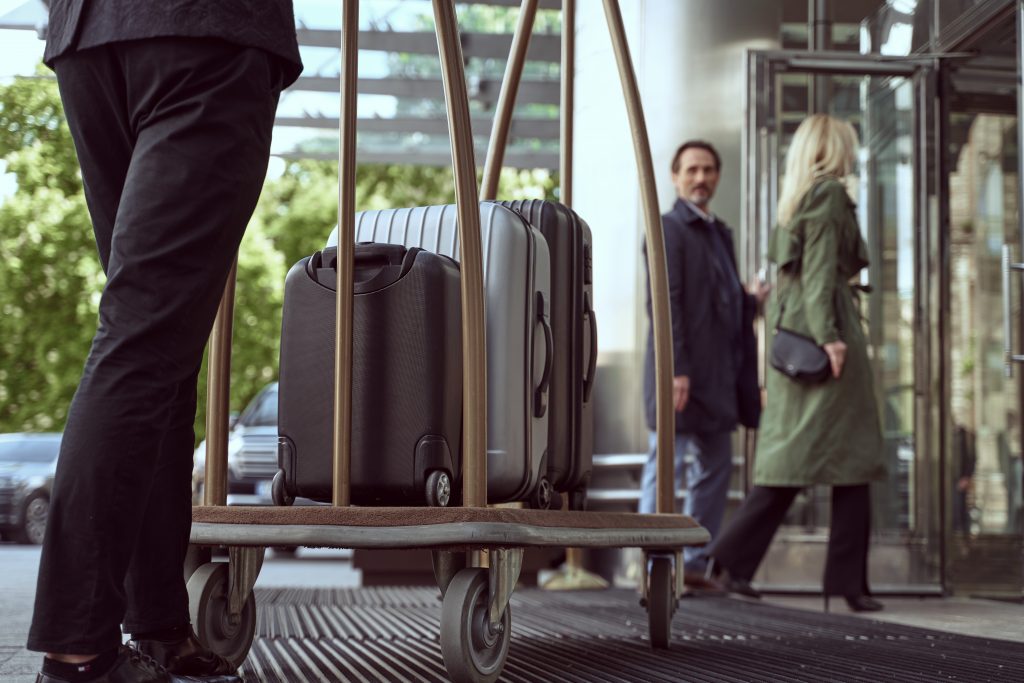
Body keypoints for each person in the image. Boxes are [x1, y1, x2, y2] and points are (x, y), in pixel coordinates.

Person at [28, 2, 302, 682]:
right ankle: (77, 649)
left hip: (90, 40)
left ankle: (156, 623)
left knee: (159, 342)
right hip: (202, 30)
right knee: (144, 338)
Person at [706, 114, 887, 612]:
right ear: (835, 148)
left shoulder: (797, 200)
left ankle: (730, 564)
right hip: (822, 340)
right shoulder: (829, 196)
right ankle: (841, 583)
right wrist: (832, 340)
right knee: (847, 459)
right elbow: (821, 275)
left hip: (794, 345)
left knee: (798, 463)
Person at [640, 140, 768, 589]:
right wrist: (676, 369)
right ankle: (652, 562)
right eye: (691, 169)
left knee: (714, 464)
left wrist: (750, 300)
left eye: (709, 169)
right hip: (680, 372)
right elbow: (666, 303)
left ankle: (694, 563)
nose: (701, 177)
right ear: (675, 177)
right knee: (666, 463)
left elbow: (720, 299)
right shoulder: (667, 229)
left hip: (717, 376)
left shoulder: (720, 233)